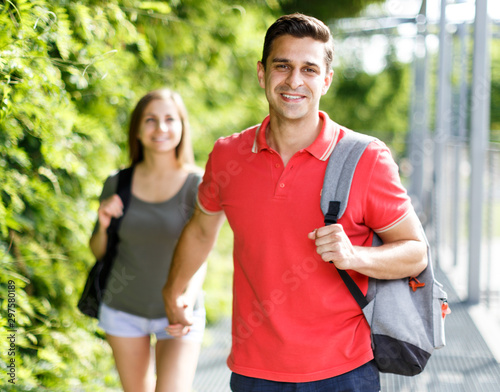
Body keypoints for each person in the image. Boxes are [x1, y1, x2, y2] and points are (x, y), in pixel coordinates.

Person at [163, 13, 428, 392]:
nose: (294, 81)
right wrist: (174, 291)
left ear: (326, 79)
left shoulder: (367, 157)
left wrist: (356, 256)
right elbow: (202, 228)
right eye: (282, 66)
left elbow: (416, 252)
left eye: (309, 69)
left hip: (344, 371)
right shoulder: (228, 155)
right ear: (262, 73)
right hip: (254, 371)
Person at [89, 89, 206, 392]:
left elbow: (202, 252)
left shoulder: (199, 184)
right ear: (138, 130)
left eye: (170, 119)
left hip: (179, 310)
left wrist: (186, 302)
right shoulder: (118, 182)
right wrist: (103, 225)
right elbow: (100, 252)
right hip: (123, 311)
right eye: (150, 120)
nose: (161, 128)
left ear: (182, 127)